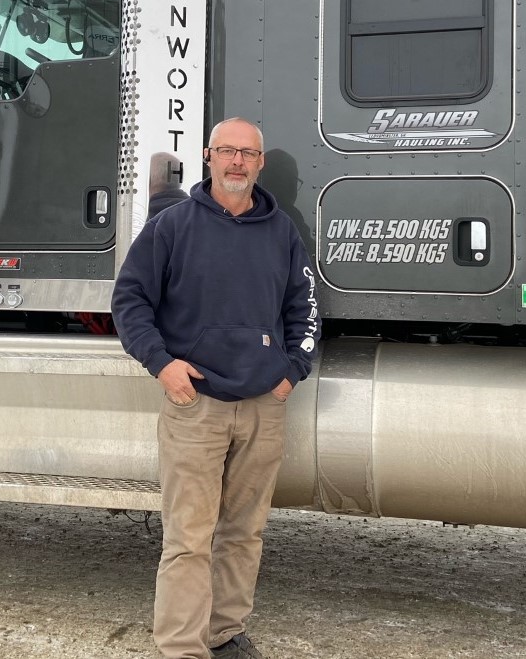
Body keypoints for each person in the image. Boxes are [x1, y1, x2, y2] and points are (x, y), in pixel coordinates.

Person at [112, 117, 321, 659]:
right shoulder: (174, 226)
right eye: (226, 151)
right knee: (188, 539)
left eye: (247, 154)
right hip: (195, 404)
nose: (236, 162)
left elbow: (307, 309)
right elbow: (130, 301)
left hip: (261, 406)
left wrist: (291, 371)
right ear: (208, 157)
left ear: (259, 164)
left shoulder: (282, 233)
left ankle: (225, 633)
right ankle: (182, 648)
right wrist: (162, 364)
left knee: (244, 532)